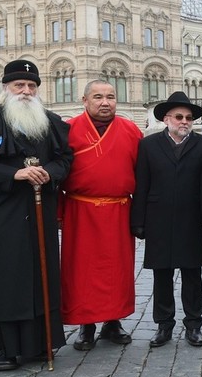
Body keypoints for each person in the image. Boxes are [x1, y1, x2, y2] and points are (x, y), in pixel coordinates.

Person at [0, 60, 73, 371]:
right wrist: (14, 175)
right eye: (19, 85)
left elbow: (65, 158)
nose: (26, 91)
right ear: (5, 87)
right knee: (3, 279)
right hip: (0, 215)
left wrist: (49, 172)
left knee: (40, 273)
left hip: (40, 212)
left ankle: (40, 343)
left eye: (32, 86)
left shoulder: (50, 122)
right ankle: (2, 347)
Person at [60, 80, 142, 351]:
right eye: (98, 97)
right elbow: (56, 174)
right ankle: (86, 325)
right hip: (80, 211)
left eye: (110, 97)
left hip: (119, 211)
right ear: (85, 101)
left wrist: (141, 215)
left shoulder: (131, 130)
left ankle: (113, 322)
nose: (105, 102)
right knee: (81, 271)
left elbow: (143, 174)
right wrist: (58, 213)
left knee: (117, 271)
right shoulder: (68, 130)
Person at [130, 92, 202, 348]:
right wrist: (138, 220)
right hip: (158, 218)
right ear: (166, 119)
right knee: (161, 274)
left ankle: (194, 325)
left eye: (188, 118)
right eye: (179, 117)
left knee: (192, 273)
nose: (184, 121)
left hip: (192, 219)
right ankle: (164, 325)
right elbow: (141, 184)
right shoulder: (148, 145)